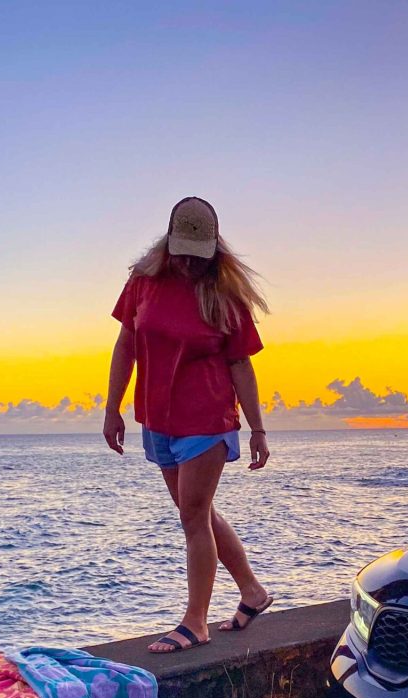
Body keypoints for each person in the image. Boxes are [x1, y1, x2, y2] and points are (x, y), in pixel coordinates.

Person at [102, 197, 273, 653]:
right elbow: (125, 345)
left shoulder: (225, 294)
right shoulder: (142, 283)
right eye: (181, 254)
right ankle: (253, 593)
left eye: (197, 257)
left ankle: (195, 622)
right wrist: (112, 407)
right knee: (196, 511)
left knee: (193, 515)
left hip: (207, 418)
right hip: (158, 419)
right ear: (168, 245)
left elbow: (240, 364)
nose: (188, 264)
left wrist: (257, 429)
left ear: (213, 252)